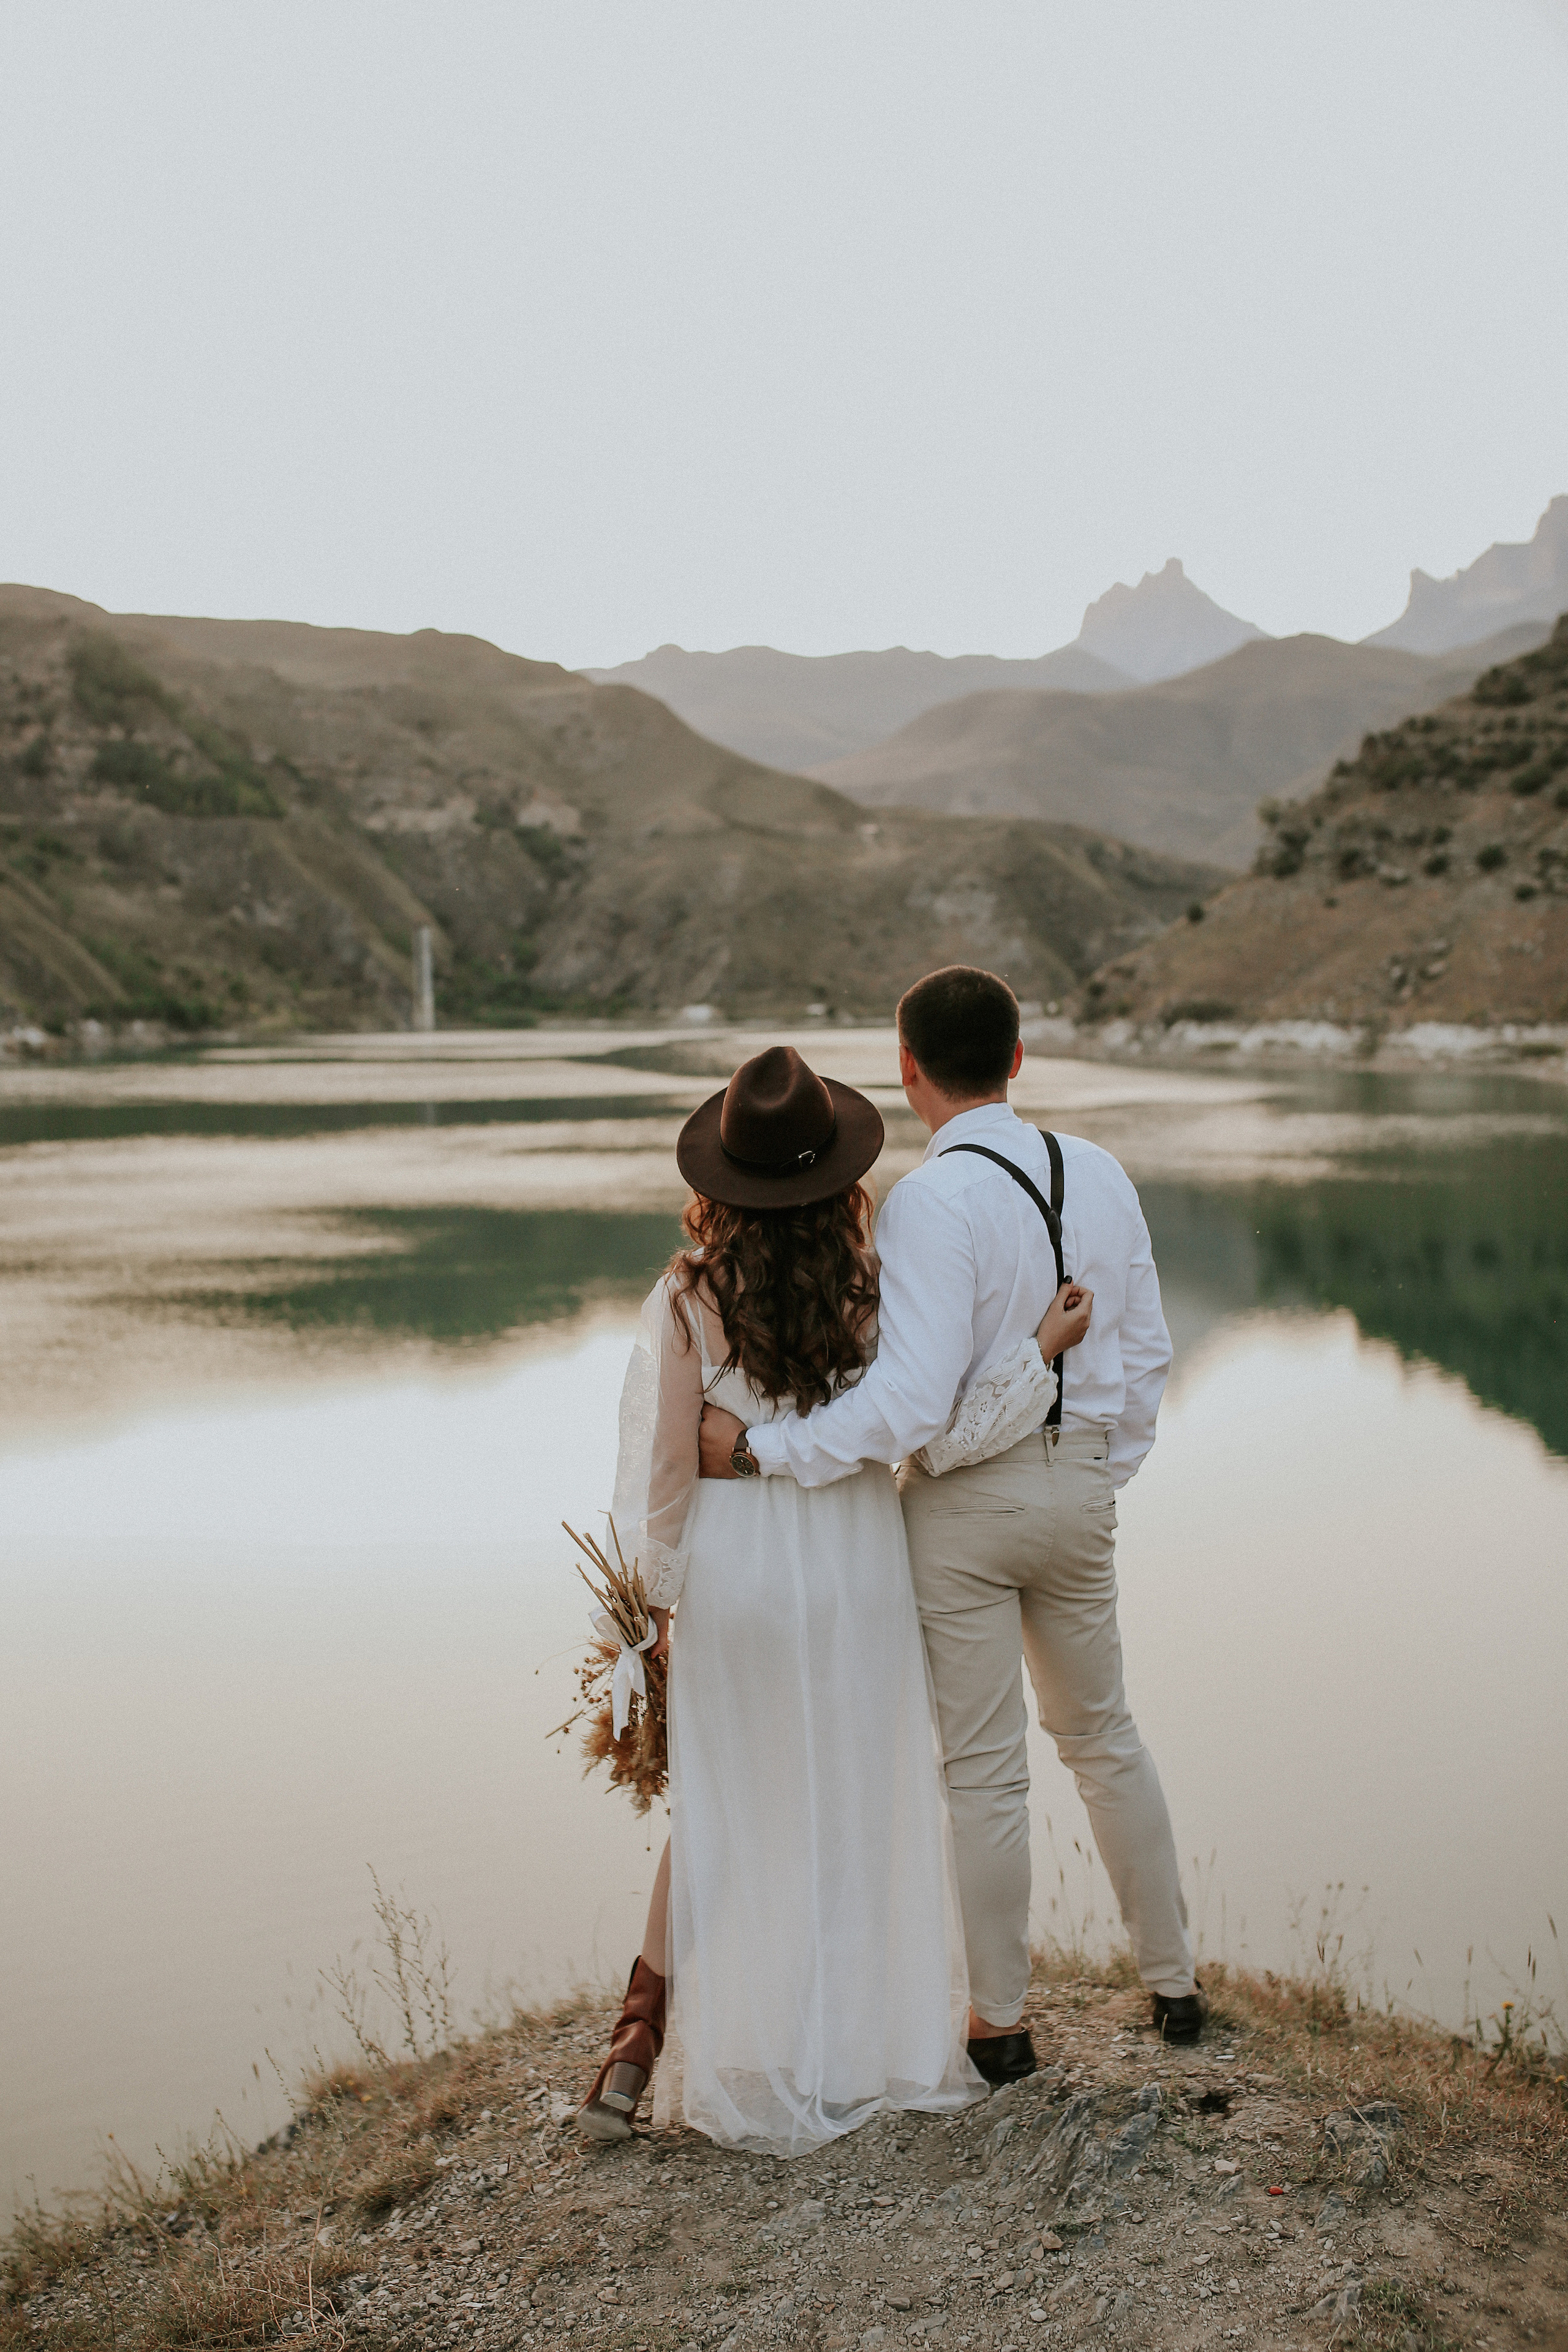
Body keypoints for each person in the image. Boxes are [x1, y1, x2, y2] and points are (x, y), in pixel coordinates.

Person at [576, 1042, 1093, 2154]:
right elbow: (923, 1418)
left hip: (739, 1571)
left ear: (723, 1181)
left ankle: (636, 2038)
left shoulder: (687, 1298)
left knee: (719, 1808)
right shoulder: (874, 1283)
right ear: (838, 1173)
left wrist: (648, 1615)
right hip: (857, 1560)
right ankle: (850, 2045)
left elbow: (663, 1475)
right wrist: (1036, 1355)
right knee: (858, 1796)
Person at [698, 968, 1202, 2078]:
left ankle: (1002, 2024)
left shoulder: (928, 1199)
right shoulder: (1102, 1172)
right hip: (1082, 1489)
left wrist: (765, 1450)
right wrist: (1098, 1471)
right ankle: (1174, 1986)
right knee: (1106, 1737)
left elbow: (911, 1403)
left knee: (983, 1772)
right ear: (1018, 1057)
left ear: (906, 1067)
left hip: (965, 1510)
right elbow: (1149, 1353)